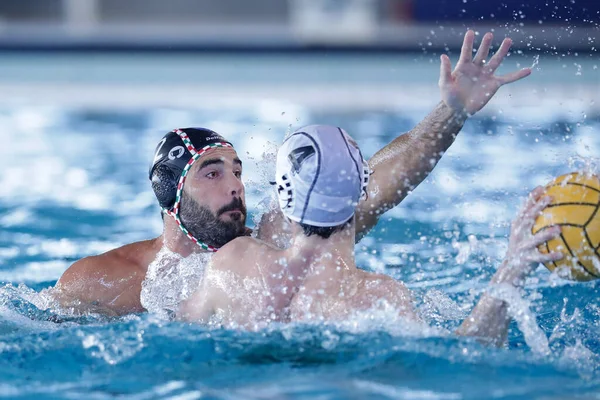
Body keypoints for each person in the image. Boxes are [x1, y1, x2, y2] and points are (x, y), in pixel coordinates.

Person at [53, 30, 532, 316]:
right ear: (170, 194)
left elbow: (379, 181)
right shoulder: (101, 282)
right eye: (212, 173)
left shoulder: (281, 233)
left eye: (237, 171)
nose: (236, 184)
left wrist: (450, 113)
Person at [179, 125, 563, 346]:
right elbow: (474, 352)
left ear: (282, 196)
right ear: (363, 191)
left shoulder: (231, 262)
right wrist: (512, 269)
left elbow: (180, 327)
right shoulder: (378, 298)